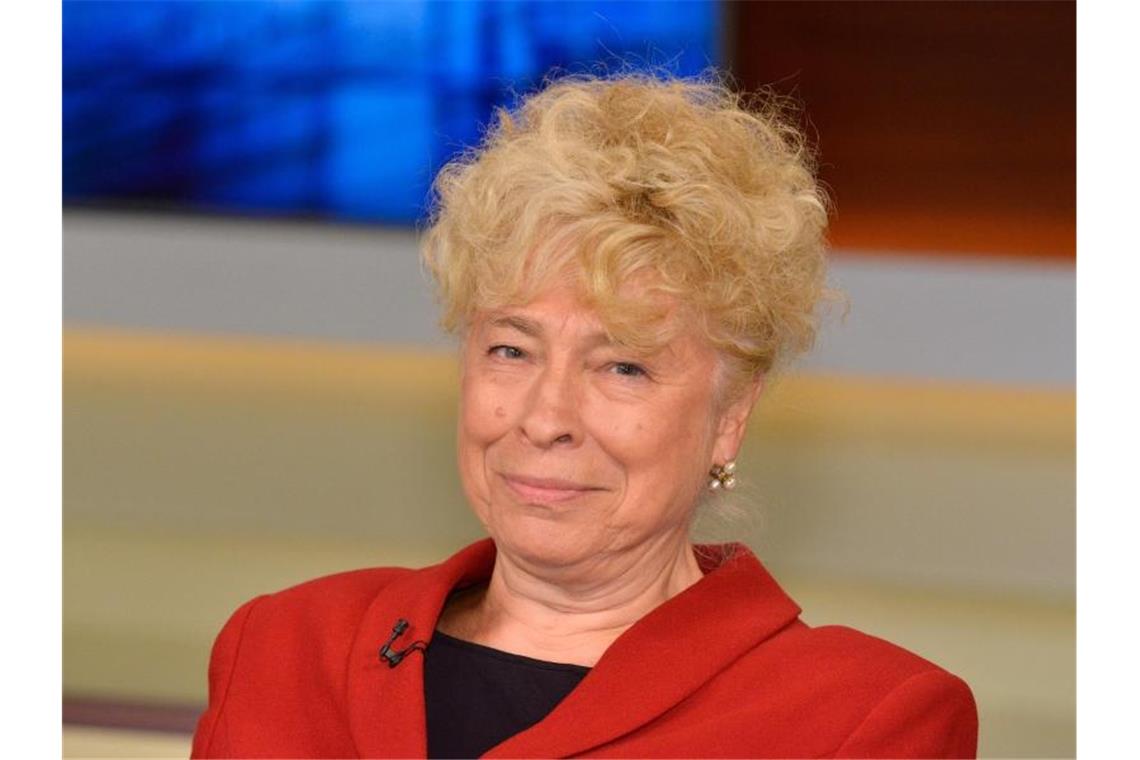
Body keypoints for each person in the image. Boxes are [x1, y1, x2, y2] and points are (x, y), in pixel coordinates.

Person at [191, 72, 977, 759]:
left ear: (730, 414)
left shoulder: (861, 719)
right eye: (511, 350)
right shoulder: (285, 646)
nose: (545, 418)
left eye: (622, 366)